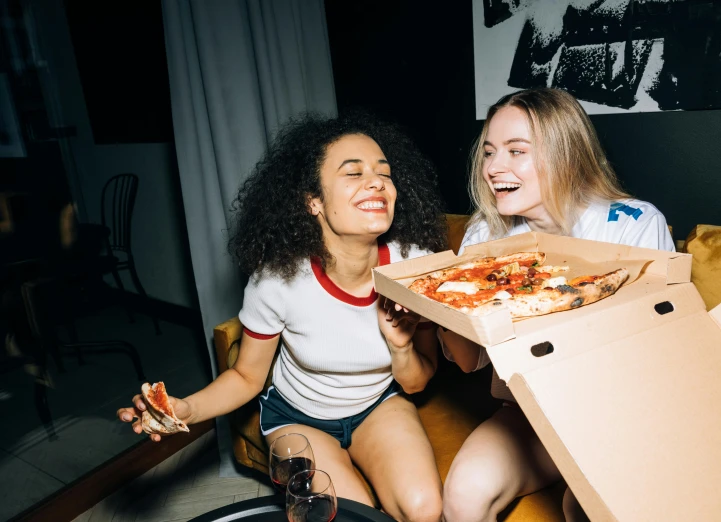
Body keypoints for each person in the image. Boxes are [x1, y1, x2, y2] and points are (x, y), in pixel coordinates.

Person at [117, 113, 447, 522]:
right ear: (313, 201)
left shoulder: (417, 267)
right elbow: (246, 377)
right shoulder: (278, 280)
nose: (377, 181)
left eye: (384, 172)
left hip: (379, 404)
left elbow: (417, 382)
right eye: (353, 172)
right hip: (297, 418)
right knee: (351, 516)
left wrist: (400, 348)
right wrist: (187, 409)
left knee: (425, 509)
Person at [440, 88, 675, 522]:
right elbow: (468, 362)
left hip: (620, 414)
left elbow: (654, 358)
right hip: (531, 413)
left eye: (516, 151)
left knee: (585, 508)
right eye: (490, 152)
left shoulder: (635, 225)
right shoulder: (483, 234)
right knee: (461, 497)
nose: (493, 168)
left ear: (565, 153)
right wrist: (437, 316)